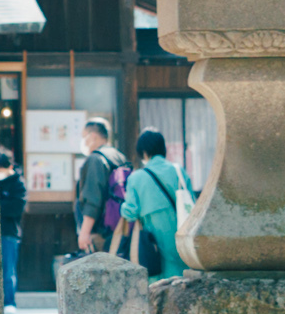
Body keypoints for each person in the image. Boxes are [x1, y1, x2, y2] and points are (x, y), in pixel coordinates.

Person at [120, 126, 196, 275]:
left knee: (161, 283)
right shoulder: (178, 171)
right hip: (184, 236)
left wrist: (121, 206)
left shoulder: (136, 178)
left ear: (143, 152)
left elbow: (130, 213)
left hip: (155, 241)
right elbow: (193, 201)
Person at [71, 117, 124, 257]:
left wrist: (84, 232)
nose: (83, 142)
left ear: (93, 136)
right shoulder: (118, 157)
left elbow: (93, 199)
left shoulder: (95, 159)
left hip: (101, 231)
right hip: (120, 227)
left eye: (84, 137)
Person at [0, 141, 26, 304]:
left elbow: (17, 207)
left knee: (7, 271)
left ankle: (9, 302)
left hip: (9, 232)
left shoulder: (17, 182)